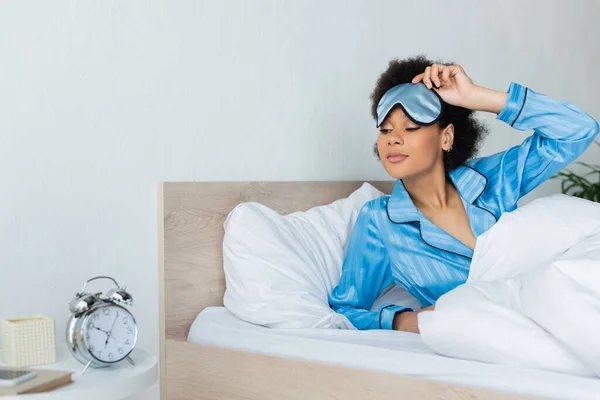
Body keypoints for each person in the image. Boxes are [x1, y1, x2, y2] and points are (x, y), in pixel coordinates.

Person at [328, 55, 599, 334]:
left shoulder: (491, 179)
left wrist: (475, 96)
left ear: (446, 137)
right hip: (494, 335)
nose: (393, 139)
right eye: (385, 130)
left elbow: (578, 131)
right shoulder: (379, 222)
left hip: (561, 307)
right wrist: (408, 320)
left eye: (411, 127)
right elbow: (346, 310)